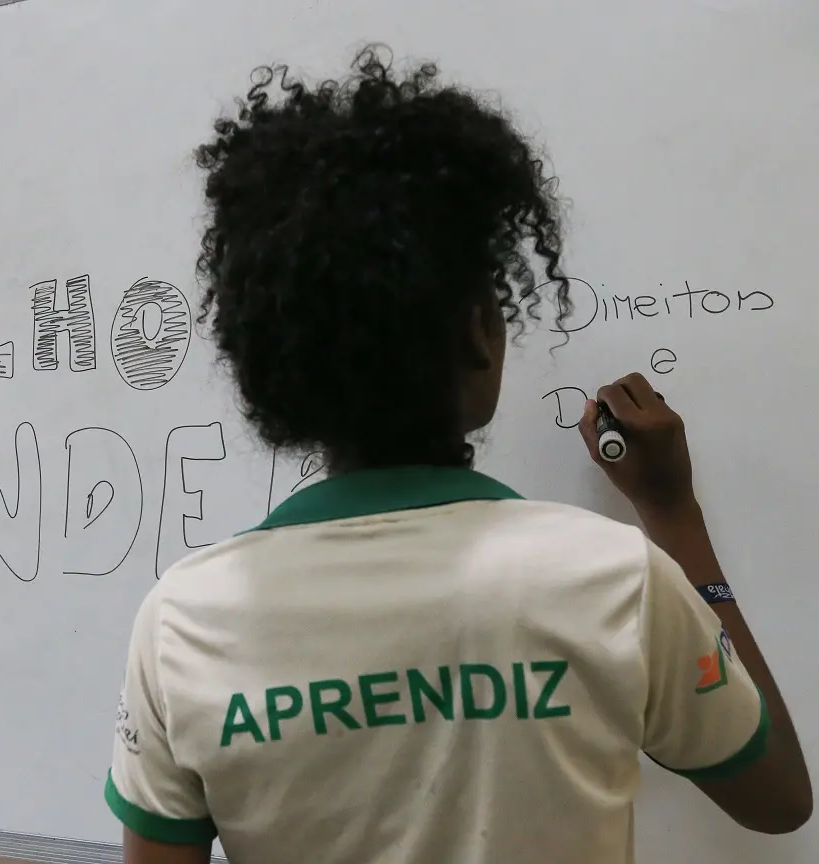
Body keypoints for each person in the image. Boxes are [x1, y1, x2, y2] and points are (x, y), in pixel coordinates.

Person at [101, 47, 812, 863]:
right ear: (479, 330)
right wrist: (673, 515)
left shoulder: (183, 620)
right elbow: (780, 798)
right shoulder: (613, 578)